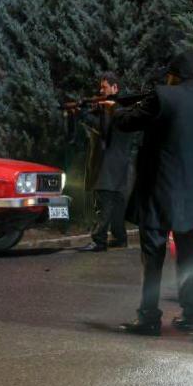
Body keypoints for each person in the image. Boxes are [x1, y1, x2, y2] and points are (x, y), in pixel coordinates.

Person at [113, 49, 193, 335]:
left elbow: (126, 122)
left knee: (152, 258)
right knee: (190, 259)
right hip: (192, 195)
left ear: (175, 74)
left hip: (159, 191)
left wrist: (112, 108)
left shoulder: (163, 96)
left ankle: (148, 317)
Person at [77, 72, 136, 252]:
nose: (100, 90)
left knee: (104, 203)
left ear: (115, 87)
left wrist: (84, 114)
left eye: (104, 87)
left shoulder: (113, 107)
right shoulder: (124, 107)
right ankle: (119, 238)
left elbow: (104, 129)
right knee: (117, 204)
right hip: (121, 164)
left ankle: (99, 240)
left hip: (109, 164)